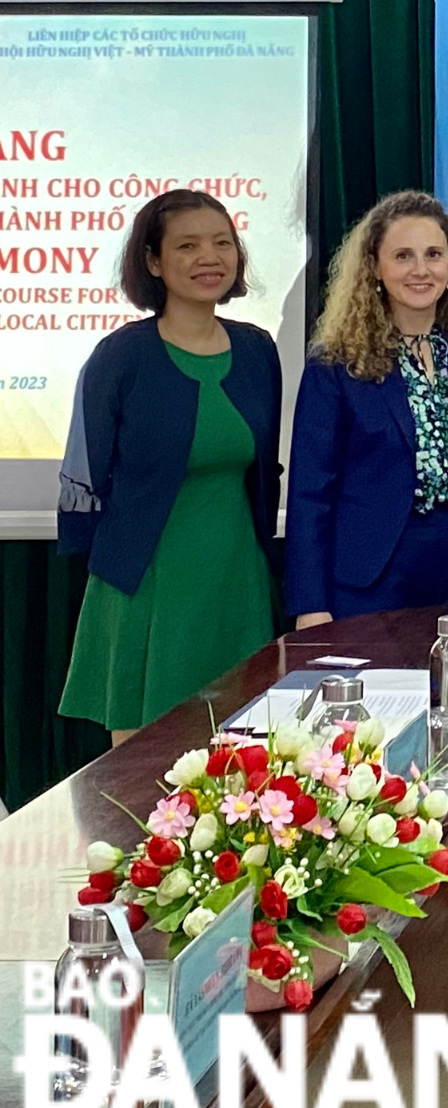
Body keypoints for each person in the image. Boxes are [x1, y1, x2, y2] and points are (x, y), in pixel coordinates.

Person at [58, 191, 281, 742]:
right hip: (147, 583)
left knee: (244, 762)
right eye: (188, 245)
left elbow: (264, 468)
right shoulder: (121, 356)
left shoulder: (257, 350)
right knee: (145, 771)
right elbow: (89, 474)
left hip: (237, 581)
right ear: (154, 262)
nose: (210, 257)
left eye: (222, 243)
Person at [287, 191, 448, 627]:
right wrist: (309, 604)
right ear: (374, 267)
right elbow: (310, 494)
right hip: (370, 577)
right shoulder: (336, 365)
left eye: (433, 255)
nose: (420, 270)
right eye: (403, 256)